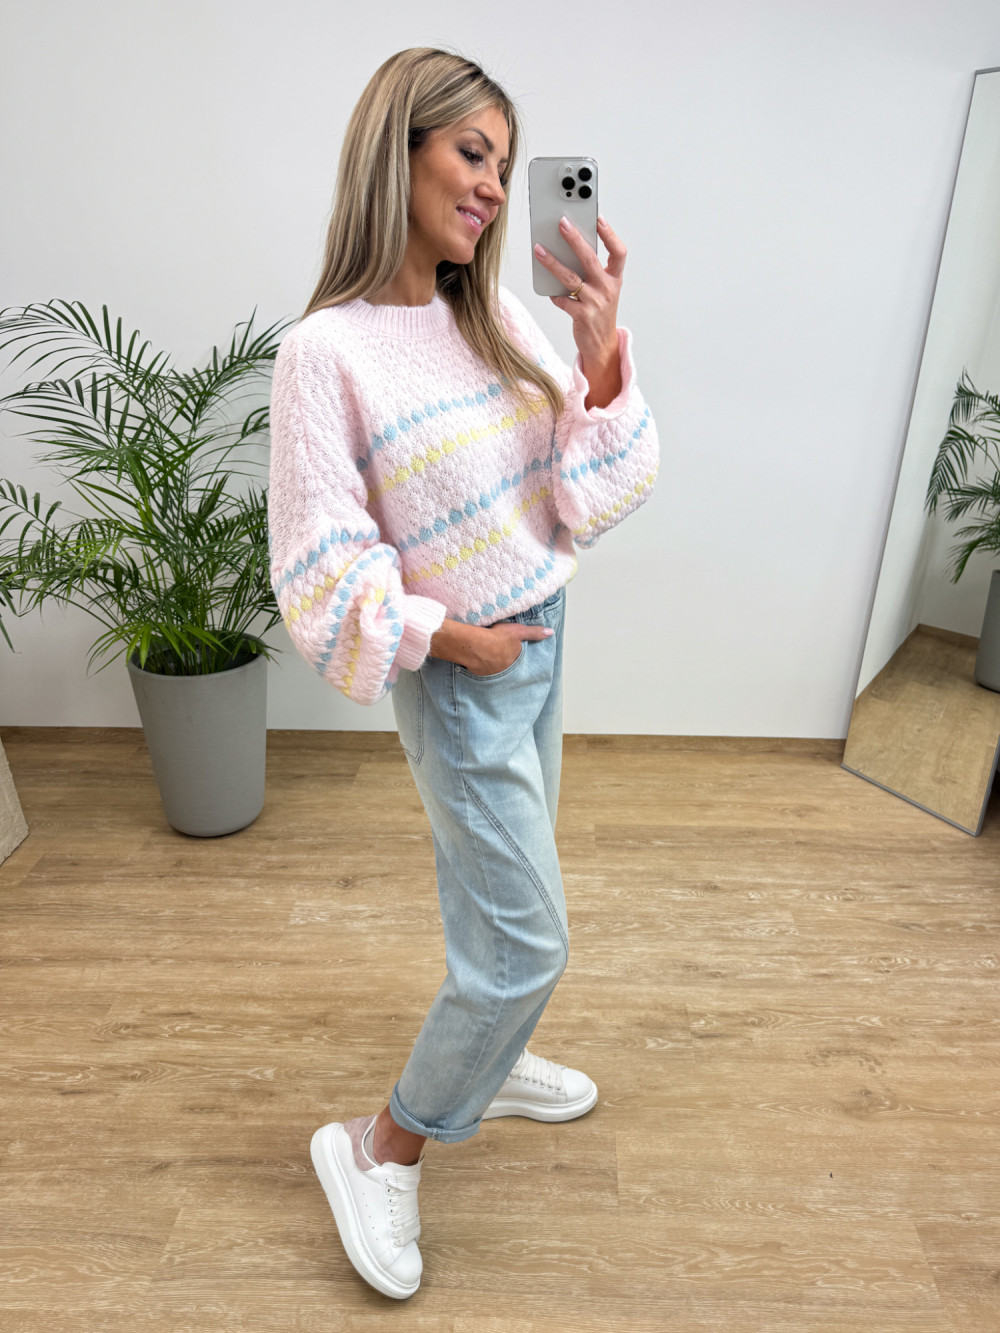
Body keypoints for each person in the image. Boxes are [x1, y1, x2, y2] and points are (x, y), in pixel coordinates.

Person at [266, 47, 659, 1300]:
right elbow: (319, 561)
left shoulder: (493, 316)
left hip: (541, 637)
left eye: (504, 161)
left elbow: (580, 487)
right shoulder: (326, 352)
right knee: (529, 937)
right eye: (471, 153)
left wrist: (597, 349)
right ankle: (380, 1145)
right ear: (400, 150)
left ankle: (494, 1048)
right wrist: (453, 638)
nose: (492, 184)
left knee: (493, 897)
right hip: (465, 667)